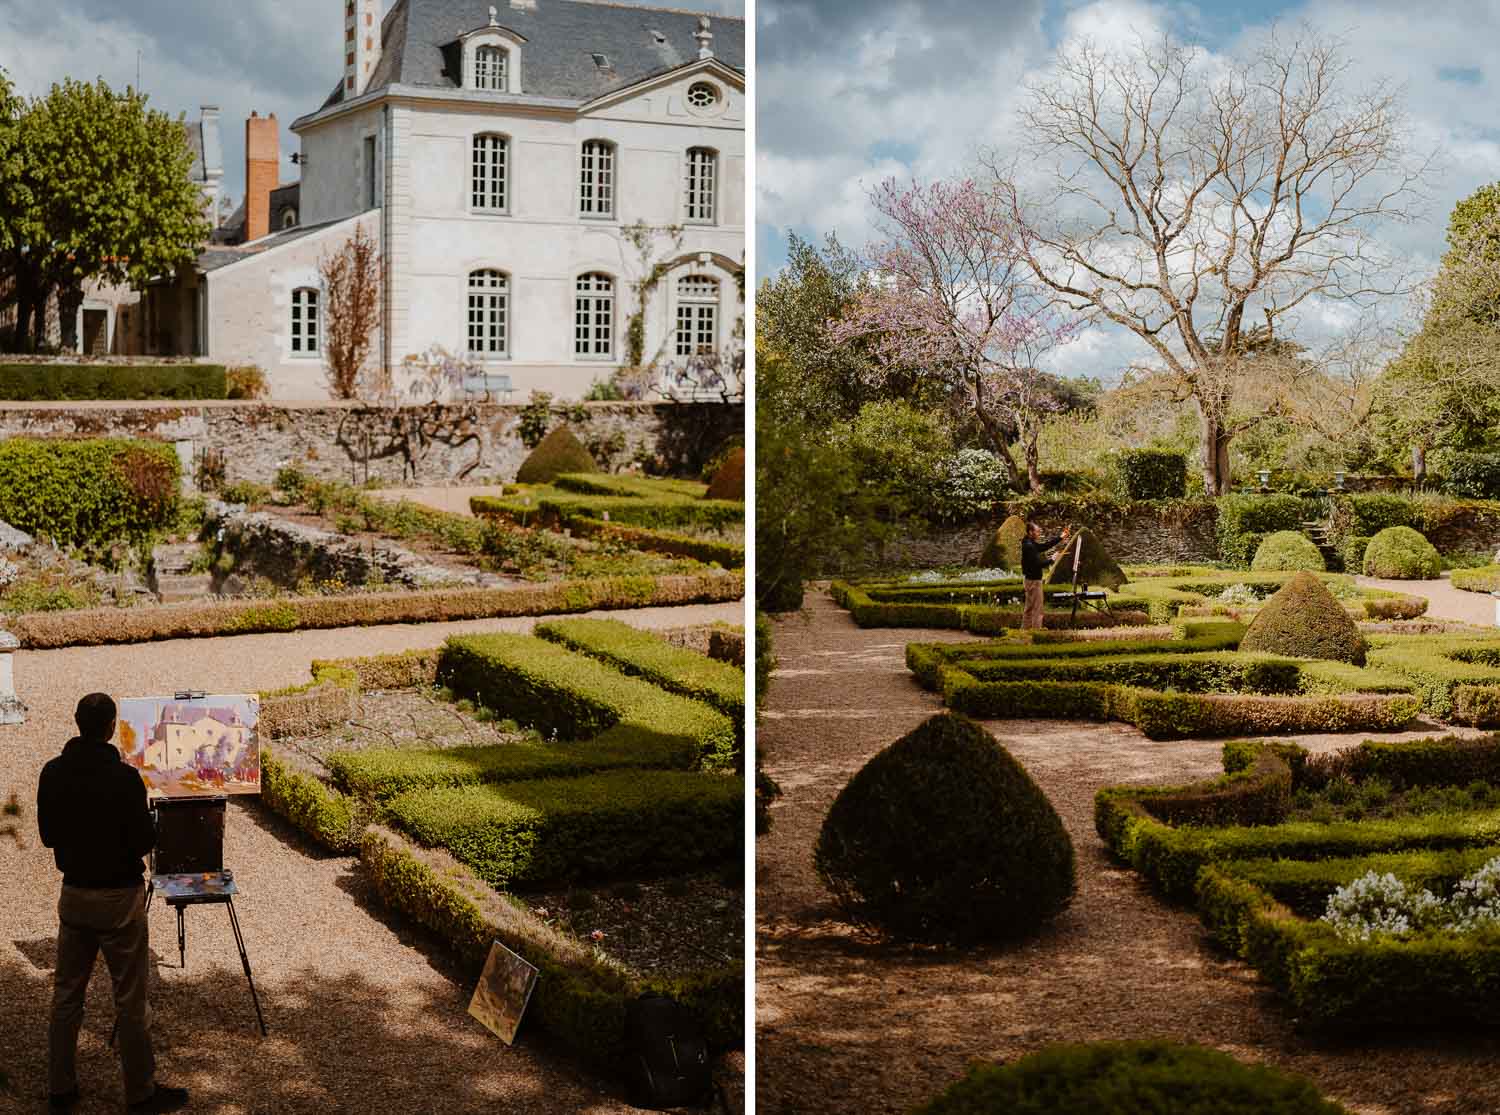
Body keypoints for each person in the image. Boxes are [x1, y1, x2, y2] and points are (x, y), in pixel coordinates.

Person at [37, 693, 190, 1113]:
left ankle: (60, 1088)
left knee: (67, 995)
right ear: (109, 728)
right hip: (119, 897)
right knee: (130, 999)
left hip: (75, 894)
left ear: (76, 722)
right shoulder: (124, 779)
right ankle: (140, 1092)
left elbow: (48, 836)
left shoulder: (52, 773)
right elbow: (144, 840)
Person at [1021, 521, 1071, 630]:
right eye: (1037, 531)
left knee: (1029, 608)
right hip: (1034, 581)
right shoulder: (1029, 546)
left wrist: (1060, 537)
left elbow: (1044, 546)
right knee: (1038, 610)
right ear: (1030, 532)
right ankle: (1036, 633)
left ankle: (1024, 631)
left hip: (1029, 580)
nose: (1039, 533)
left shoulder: (1029, 543)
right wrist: (1052, 560)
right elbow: (1037, 565)